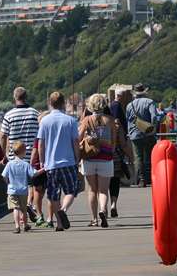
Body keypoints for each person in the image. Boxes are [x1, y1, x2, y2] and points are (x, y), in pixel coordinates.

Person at [34, 91, 80, 230]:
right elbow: (75, 142)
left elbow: (41, 144)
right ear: (63, 103)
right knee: (71, 191)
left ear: (50, 103)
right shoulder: (70, 121)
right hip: (68, 162)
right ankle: (64, 209)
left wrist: (42, 162)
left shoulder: (45, 121)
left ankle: (59, 224)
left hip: (51, 164)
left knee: (53, 195)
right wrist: (77, 158)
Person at [1, 87, 44, 226]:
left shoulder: (9, 115)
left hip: (14, 158)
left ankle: (21, 216)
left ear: (15, 97)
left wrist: (3, 154)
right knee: (31, 185)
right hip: (32, 155)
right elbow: (40, 135)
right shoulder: (34, 113)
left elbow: (3, 135)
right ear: (26, 96)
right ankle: (29, 205)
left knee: (16, 186)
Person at [77, 93, 118, 227]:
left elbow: (78, 138)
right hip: (106, 158)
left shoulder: (86, 120)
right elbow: (114, 140)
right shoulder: (111, 120)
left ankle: (94, 218)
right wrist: (111, 151)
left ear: (90, 105)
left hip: (89, 158)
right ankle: (102, 211)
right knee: (103, 190)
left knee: (92, 190)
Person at [125, 85, 158, 187]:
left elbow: (128, 120)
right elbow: (154, 117)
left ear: (135, 93)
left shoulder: (129, 105)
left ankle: (141, 180)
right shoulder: (150, 102)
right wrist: (153, 128)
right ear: (144, 92)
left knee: (138, 157)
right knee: (150, 156)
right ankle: (151, 179)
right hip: (148, 133)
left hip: (135, 134)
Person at [107, 85, 131, 218]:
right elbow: (118, 125)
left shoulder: (113, 106)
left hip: (106, 152)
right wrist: (128, 154)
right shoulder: (116, 107)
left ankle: (103, 208)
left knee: (107, 181)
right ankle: (113, 204)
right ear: (121, 96)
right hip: (115, 150)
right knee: (115, 179)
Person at [1, 141, 34, 233]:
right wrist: (43, 169)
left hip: (12, 190)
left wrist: (8, 182)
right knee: (24, 209)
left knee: (16, 208)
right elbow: (33, 174)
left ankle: (17, 226)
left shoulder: (9, 164)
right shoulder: (26, 164)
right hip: (23, 190)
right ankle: (25, 225)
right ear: (23, 152)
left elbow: (4, 176)